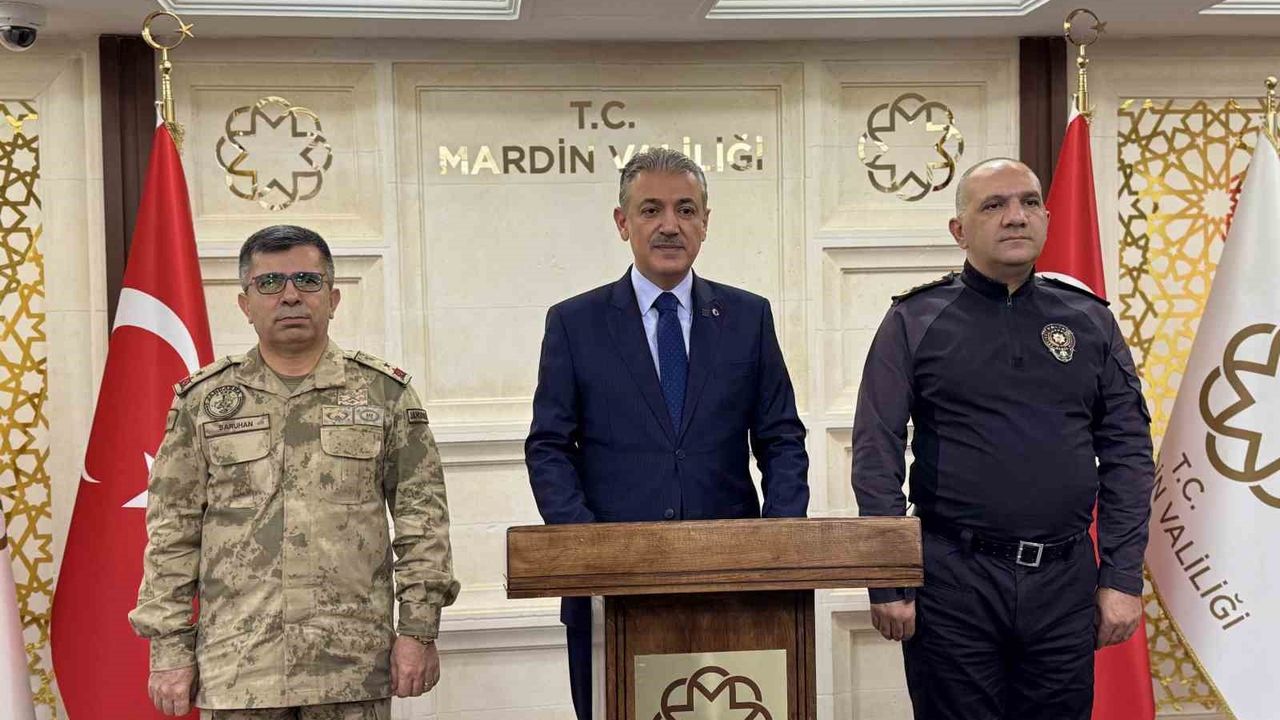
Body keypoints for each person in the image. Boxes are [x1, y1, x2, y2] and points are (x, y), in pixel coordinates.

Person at [852, 158, 1154, 719]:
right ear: (959, 230)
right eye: (994, 205)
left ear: (1047, 218)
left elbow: (1129, 452)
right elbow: (876, 453)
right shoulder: (914, 320)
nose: (1016, 216)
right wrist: (888, 580)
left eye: (1029, 202)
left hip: (1065, 582)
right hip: (953, 581)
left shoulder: (1089, 319)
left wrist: (1121, 577)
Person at [129, 225, 460, 719]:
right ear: (245, 304)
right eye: (269, 283)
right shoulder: (204, 402)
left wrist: (418, 630)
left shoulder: (384, 394)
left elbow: (423, 522)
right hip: (240, 666)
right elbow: (172, 532)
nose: (289, 296)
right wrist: (169, 649)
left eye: (307, 280)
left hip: (350, 663)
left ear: (333, 298)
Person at [525, 147, 809, 720]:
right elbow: (549, 446)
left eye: (685, 209)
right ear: (622, 222)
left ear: (705, 221)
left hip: (734, 584)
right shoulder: (574, 322)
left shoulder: (748, 317)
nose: (670, 225)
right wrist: (588, 548)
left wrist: (777, 545)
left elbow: (781, 439)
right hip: (612, 588)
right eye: (651, 209)